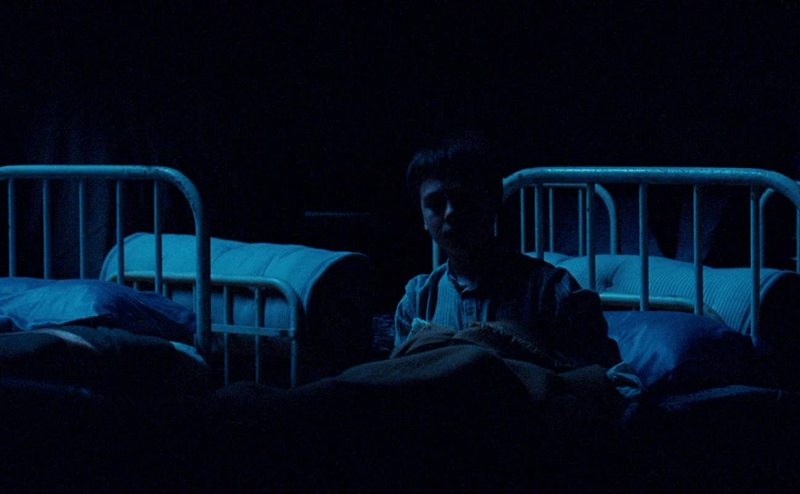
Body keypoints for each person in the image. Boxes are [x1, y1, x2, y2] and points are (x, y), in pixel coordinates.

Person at [394, 134, 620, 368]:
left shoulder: (553, 293)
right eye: (435, 204)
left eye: (464, 199)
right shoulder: (417, 301)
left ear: (494, 201)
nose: (450, 212)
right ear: (423, 217)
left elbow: (599, 378)